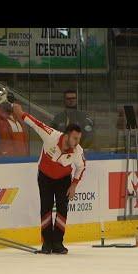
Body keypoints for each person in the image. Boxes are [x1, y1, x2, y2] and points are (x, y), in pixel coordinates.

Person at [12, 103, 86, 255]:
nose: (77, 142)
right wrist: (20, 113)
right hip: (45, 177)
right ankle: (47, 243)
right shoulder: (51, 135)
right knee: (45, 209)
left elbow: (81, 167)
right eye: (75, 138)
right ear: (66, 135)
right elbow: (36, 124)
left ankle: (58, 243)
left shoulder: (78, 151)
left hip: (63, 179)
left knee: (62, 210)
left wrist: (74, 185)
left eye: (79, 139)